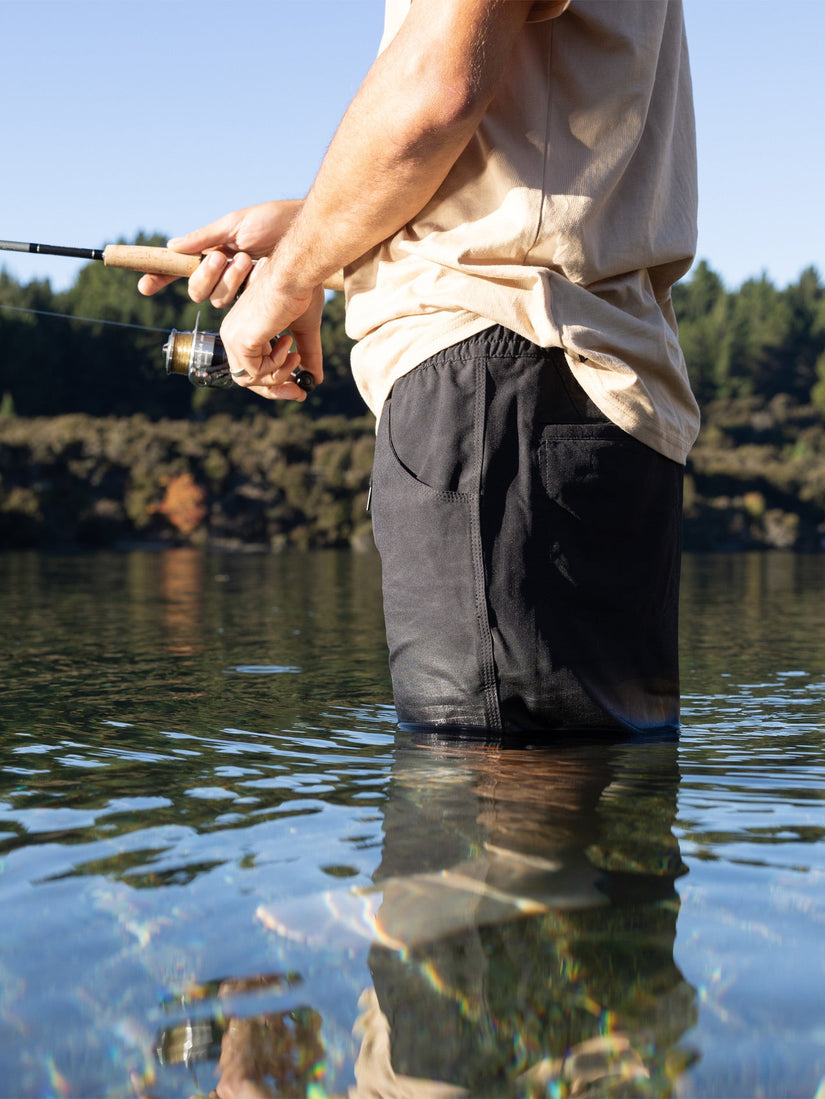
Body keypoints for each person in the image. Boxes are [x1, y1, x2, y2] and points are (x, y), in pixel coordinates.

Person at [140, 0, 699, 739]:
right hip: (601, 391)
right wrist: (329, 232)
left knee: (481, 802)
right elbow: (531, 155)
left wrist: (288, 279)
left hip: (495, 388)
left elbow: (437, 90)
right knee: (593, 790)